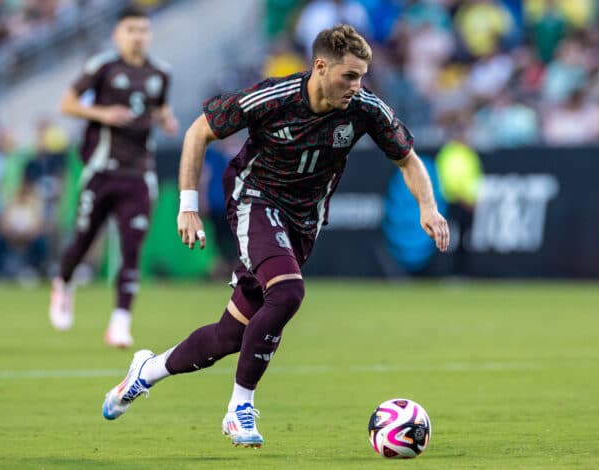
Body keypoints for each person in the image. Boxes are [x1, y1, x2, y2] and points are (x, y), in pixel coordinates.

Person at [101, 24, 448, 447]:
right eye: (349, 76)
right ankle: (238, 408)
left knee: (229, 335)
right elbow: (198, 132)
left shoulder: (364, 108)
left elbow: (408, 160)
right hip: (255, 201)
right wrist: (188, 206)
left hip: (302, 224)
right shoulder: (274, 97)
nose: (357, 86)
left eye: (361, 77)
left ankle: (146, 372)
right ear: (320, 66)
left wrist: (428, 207)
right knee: (288, 293)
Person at [48, 7, 179, 348]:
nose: (138, 36)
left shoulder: (161, 73)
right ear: (117, 35)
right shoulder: (102, 67)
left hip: (139, 173)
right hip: (101, 171)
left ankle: (120, 322)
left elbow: (161, 107)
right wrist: (101, 112)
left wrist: (167, 120)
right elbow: (66, 103)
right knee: (83, 239)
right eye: (131, 29)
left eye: (143, 30)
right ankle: (63, 283)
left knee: (132, 247)